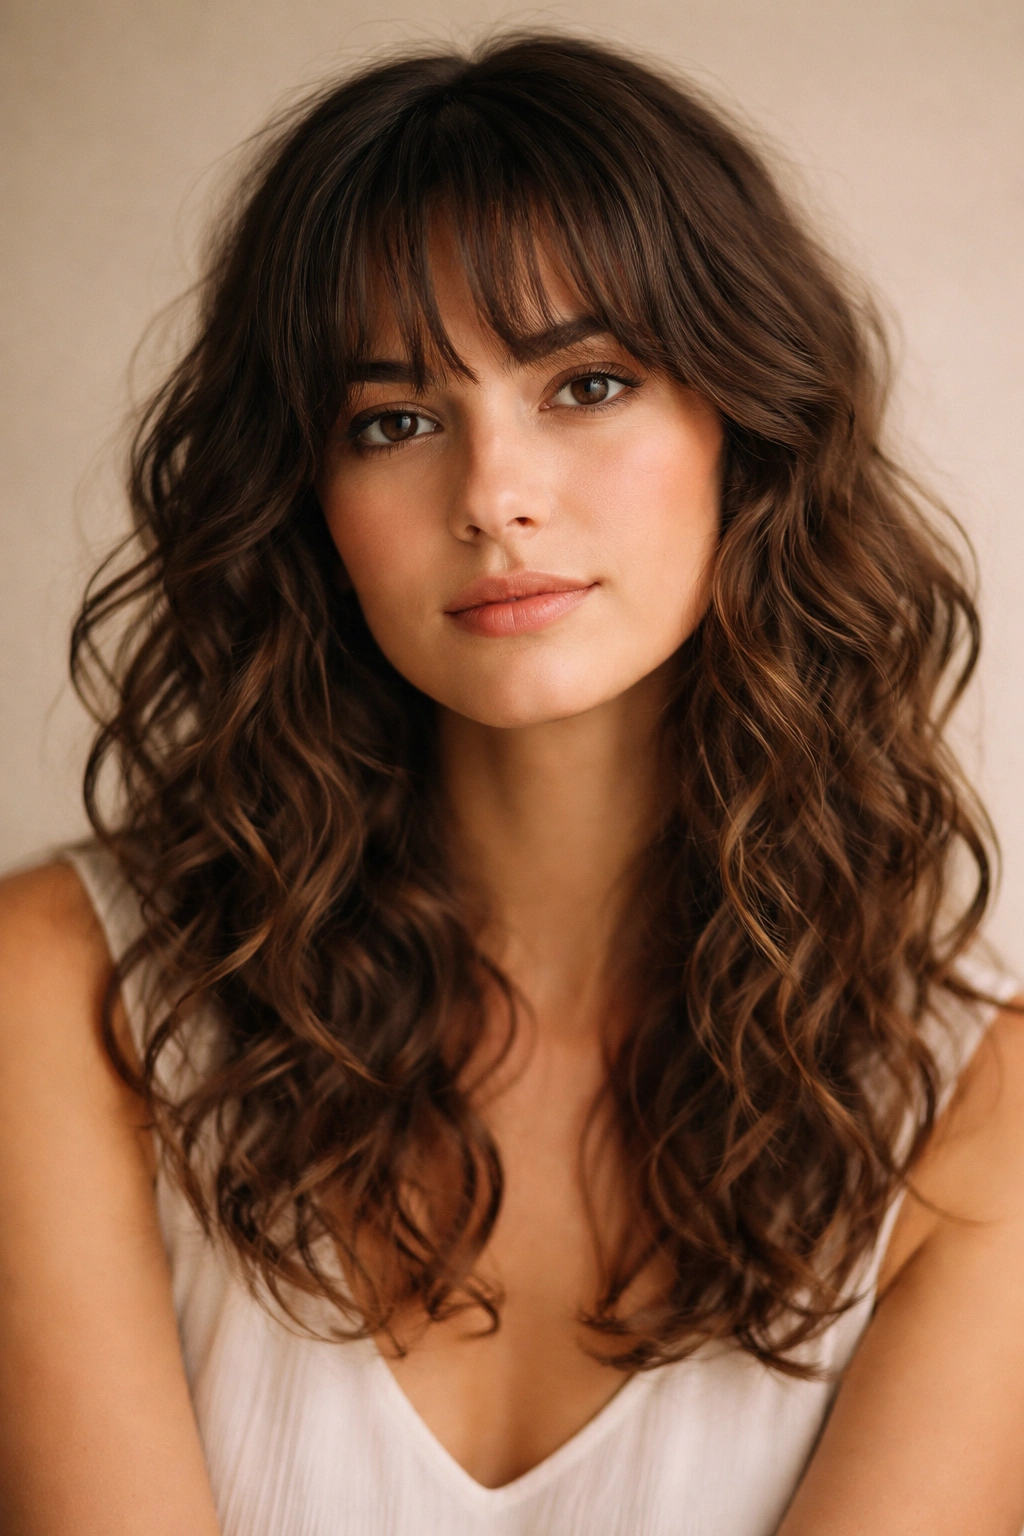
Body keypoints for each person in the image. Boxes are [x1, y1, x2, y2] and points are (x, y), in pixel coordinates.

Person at [1, 31, 1023, 1536]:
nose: (493, 497)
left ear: (747, 432)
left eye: (589, 383)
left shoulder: (977, 1119)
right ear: (308, 501)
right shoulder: (62, 1002)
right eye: (394, 421)